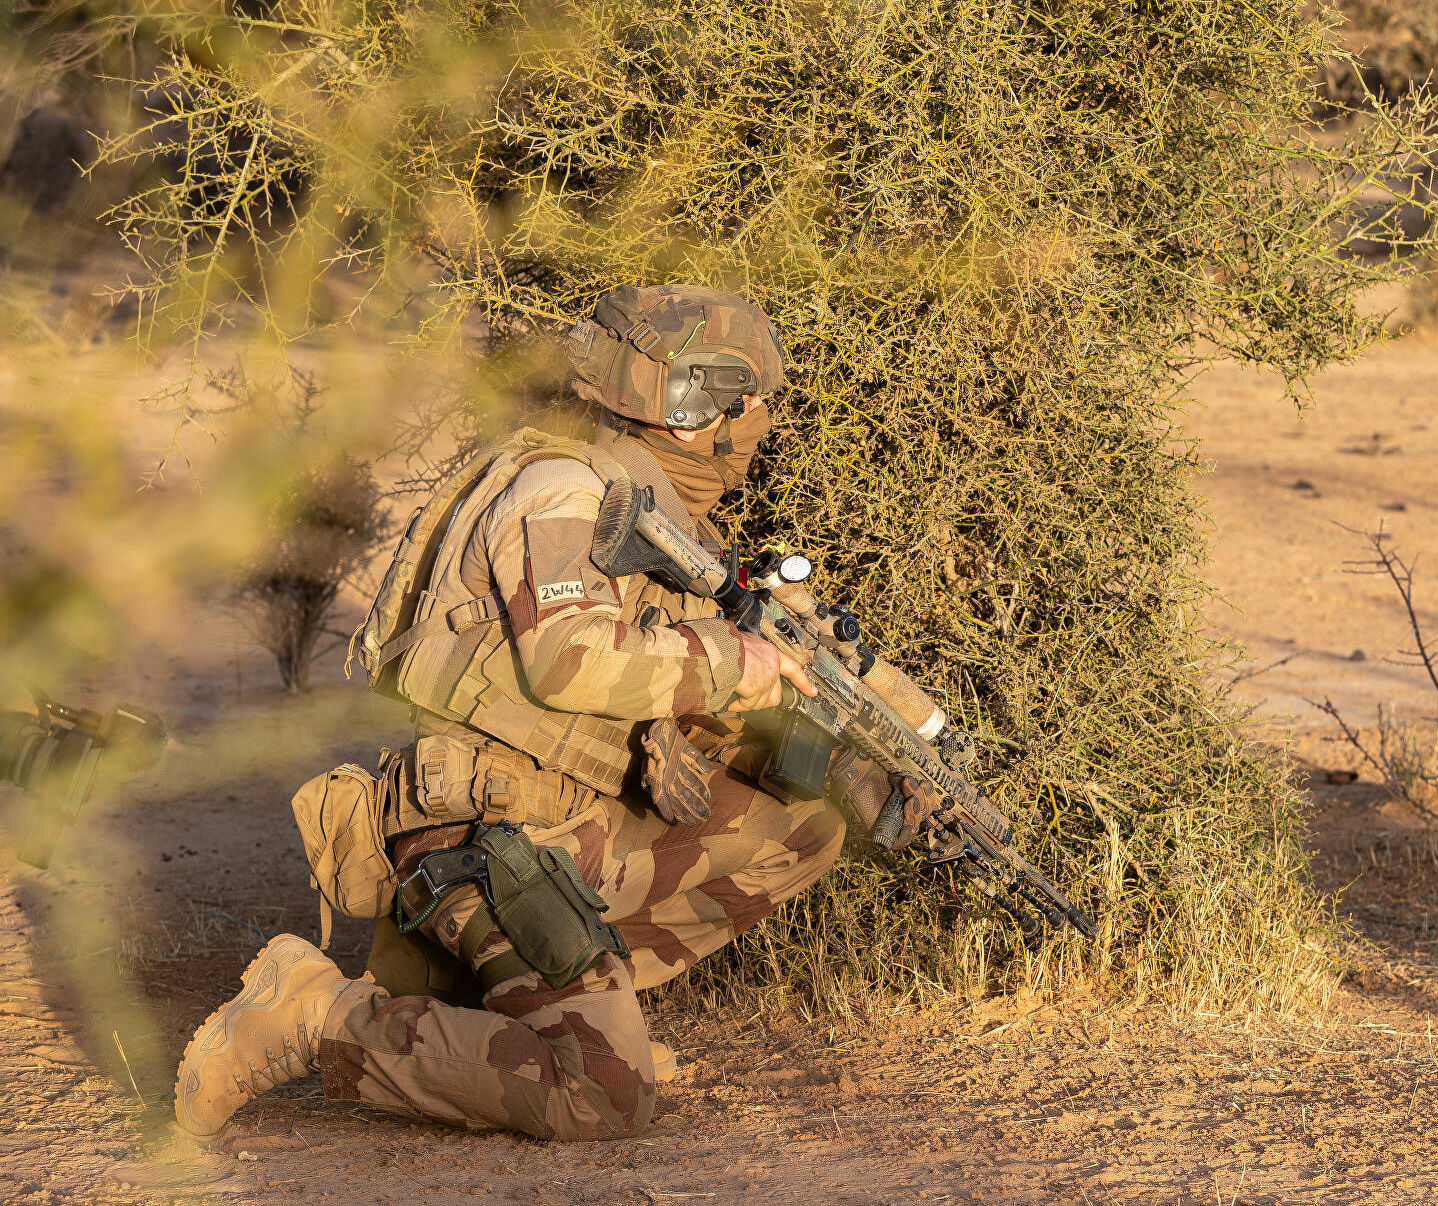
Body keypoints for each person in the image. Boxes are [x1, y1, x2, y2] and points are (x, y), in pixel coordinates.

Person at [173, 284, 918, 1141]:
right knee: (604, 1100)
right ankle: (314, 1016)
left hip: (567, 821)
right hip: (485, 832)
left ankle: (571, 1015)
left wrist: (860, 772)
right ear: (689, 405)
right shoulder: (563, 492)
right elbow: (570, 657)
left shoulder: (665, 530)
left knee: (807, 825)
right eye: (743, 401)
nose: (754, 422)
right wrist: (729, 659)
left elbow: (687, 711)